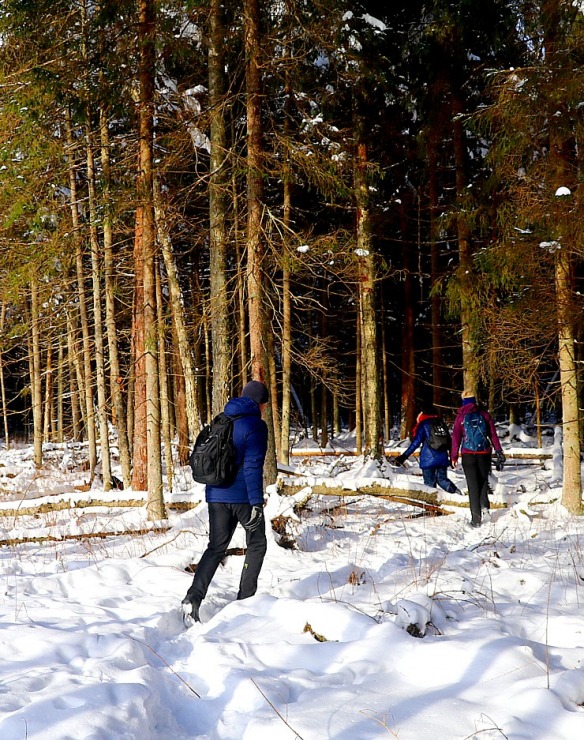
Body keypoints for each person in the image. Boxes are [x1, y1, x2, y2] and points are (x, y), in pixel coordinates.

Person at [181, 380, 269, 625]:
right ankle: (245, 602)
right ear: (260, 404)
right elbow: (253, 467)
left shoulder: (222, 419)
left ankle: (192, 599)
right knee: (257, 544)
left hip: (216, 495)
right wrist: (256, 503)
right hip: (242, 497)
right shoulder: (256, 426)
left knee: (215, 548)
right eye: (265, 405)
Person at [451, 390, 505, 528]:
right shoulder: (484, 414)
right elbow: (493, 434)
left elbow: (456, 438)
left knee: (472, 485)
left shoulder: (460, 417)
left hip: (468, 455)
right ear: (474, 400)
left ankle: (476, 519)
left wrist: (454, 456)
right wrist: (498, 450)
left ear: (463, 400)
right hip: (484, 454)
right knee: (483, 482)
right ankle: (485, 508)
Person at [392, 406, 461, 495]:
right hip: (442, 459)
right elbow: (449, 442)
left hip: (428, 459)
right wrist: (452, 457)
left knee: (429, 484)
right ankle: (457, 494)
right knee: (442, 480)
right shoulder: (441, 423)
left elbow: (415, 443)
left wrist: (403, 457)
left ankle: (431, 506)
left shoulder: (424, 424)